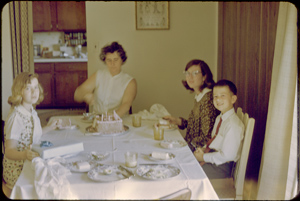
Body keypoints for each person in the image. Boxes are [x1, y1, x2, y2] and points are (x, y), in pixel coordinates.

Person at [2, 72, 60, 196]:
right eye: (28, 88)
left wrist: (49, 128)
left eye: (36, 87)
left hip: (29, 160)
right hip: (18, 168)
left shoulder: (30, 110)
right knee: (48, 181)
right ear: (20, 91)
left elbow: (32, 134)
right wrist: (25, 154)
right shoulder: (16, 117)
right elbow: (9, 151)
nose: (34, 91)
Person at [163, 59, 220, 151]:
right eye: (187, 73)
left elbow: (207, 137)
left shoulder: (208, 99)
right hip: (193, 147)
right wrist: (178, 121)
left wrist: (182, 146)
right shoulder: (200, 96)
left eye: (195, 73)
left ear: (204, 76)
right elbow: (197, 125)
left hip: (201, 152)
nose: (190, 77)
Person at [193, 79, 244, 179]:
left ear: (233, 99)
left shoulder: (233, 125)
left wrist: (203, 157)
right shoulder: (220, 118)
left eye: (223, 96)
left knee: (191, 173)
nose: (218, 99)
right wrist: (203, 149)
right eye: (215, 96)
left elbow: (226, 156)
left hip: (222, 168)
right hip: (215, 159)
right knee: (187, 164)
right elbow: (216, 142)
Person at [74, 41, 137, 117]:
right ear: (105, 61)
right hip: (97, 119)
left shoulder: (130, 81)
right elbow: (77, 95)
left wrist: (111, 118)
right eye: (109, 60)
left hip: (119, 120)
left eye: (116, 59)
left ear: (122, 60)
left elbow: (126, 105)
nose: (112, 63)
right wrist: (85, 96)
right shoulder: (98, 75)